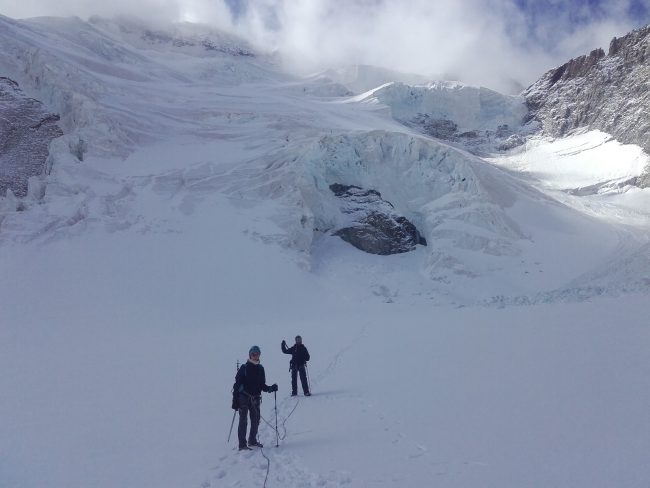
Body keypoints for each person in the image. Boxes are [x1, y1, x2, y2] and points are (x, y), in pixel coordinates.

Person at [232, 345, 278, 451]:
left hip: (256, 398)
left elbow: (262, 385)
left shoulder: (261, 369)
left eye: (257, 354)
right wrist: (235, 401)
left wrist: (271, 388)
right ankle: (242, 445)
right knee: (243, 421)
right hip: (243, 398)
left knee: (256, 420)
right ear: (250, 355)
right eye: (253, 354)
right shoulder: (244, 368)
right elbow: (237, 385)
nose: (255, 356)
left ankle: (252, 440)